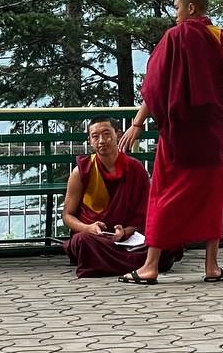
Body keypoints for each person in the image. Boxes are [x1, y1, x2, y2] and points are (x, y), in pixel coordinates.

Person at [118, 0, 223, 285]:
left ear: (191, 8)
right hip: (212, 132)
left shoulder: (174, 37)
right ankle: (211, 266)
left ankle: (150, 266)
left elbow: (156, 88)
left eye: (177, 8)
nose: (175, 15)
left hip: (179, 133)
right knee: (213, 195)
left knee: (164, 195)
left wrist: (137, 123)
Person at [62, 118, 181, 277]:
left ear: (118, 134)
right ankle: (152, 262)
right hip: (96, 237)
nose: (102, 141)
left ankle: (110, 264)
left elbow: (144, 214)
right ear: (90, 141)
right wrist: (88, 228)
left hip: (129, 237)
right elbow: (67, 216)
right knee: (83, 241)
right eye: (95, 136)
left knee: (167, 232)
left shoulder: (135, 168)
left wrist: (125, 231)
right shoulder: (81, 171)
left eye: (107, 134)